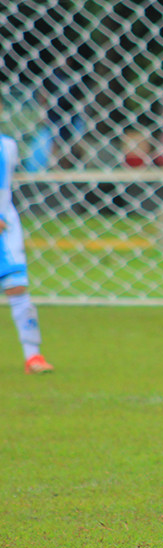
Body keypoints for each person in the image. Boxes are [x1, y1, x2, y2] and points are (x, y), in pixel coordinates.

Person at [1, 98, 54, 374]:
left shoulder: (8, 146)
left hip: (4, 227)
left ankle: (33, 355)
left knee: (17, 287)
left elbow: (4, 186)